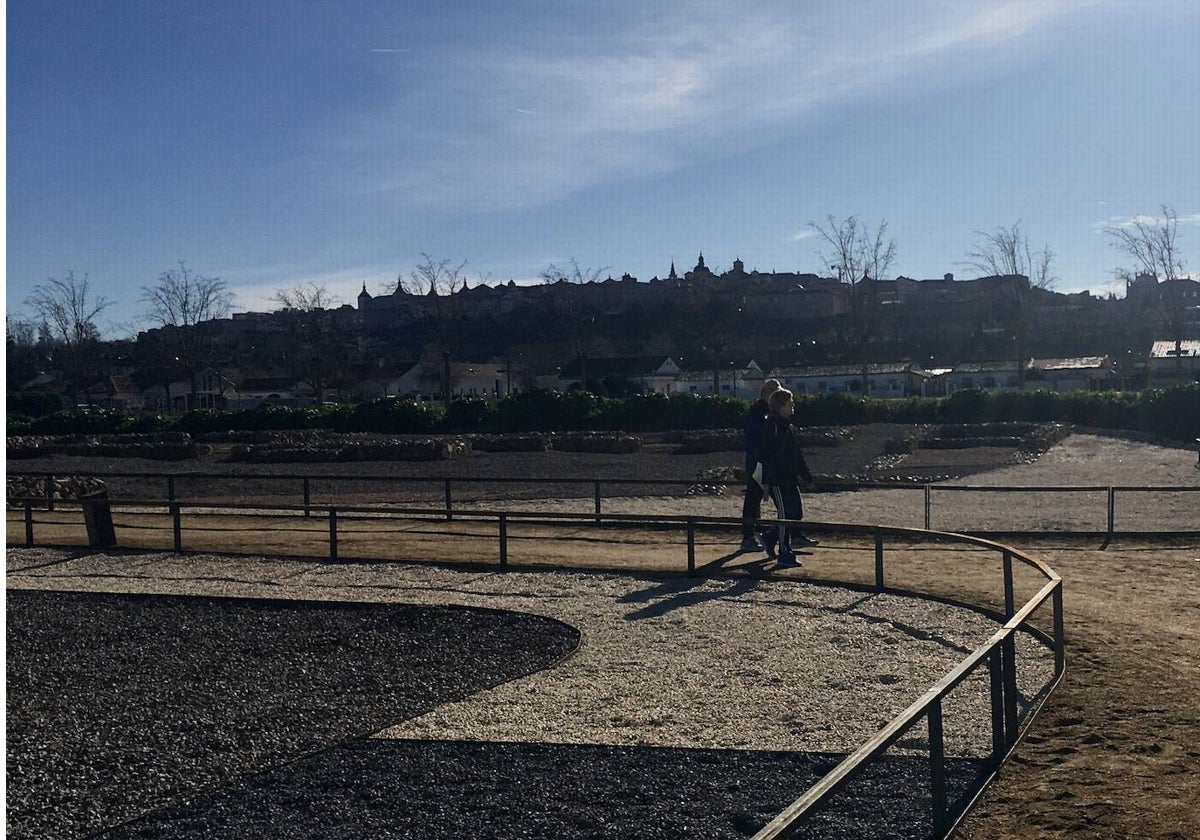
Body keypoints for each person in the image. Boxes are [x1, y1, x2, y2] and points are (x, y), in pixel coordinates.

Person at [759, 387, 819, 564]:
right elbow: (766, 455)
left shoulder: (787, 427)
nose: (793, 406)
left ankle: (770, 538)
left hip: (790, 479)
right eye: (790, 403)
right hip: (778, 479)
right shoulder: (772, 427)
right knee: (785, 515)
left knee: (796, 513)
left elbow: (796, 455)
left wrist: (806, 477)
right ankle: (784, 551)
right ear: (781, 406)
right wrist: (766, 482)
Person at [740, 378, 781, 551]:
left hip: (758, 460)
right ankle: (751, 536)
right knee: (756, 498)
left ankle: (752, 535)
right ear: (765, 393)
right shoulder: (760, 412)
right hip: (759, 461)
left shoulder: (760, 411)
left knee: (754, 498)